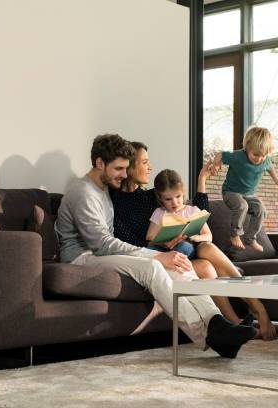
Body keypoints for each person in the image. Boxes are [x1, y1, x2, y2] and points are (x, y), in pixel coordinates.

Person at [55, 134, 256, 358]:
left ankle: (216, 321)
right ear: (100, 163)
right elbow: (101, 244)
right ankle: (208, 334)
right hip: (83, 257)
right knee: (153, 267)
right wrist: (155, 255)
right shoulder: (83, 192)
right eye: (119, 168)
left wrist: (164, 253)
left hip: (102, 253)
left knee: (180, 263)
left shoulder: (103, 188)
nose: (124, 173)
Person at [145, 168, 277, 340]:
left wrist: (193, 235)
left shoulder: (192, 210)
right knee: (209, 269)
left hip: (193, 248)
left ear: (183, 192)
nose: (174, 203)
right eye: (168, 199)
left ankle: (257, 308)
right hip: (175, 254)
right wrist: (165, 240)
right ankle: (236, 323)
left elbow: (208, 235)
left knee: (208, 247)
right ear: (160, 198)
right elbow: (150, 238)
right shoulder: (160, 213)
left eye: (178, 197)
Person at [212, 126, 278, 251]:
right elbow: (220, 155)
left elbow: (270, 167)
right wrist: (216, 165)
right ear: (247, 147)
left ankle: (250, 239)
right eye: (255, 154)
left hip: (249, 194)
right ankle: (235, 234)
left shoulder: (265, 160)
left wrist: (277, 180)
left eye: (263, 156)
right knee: (242, 206)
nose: (259, 159)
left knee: (261, 210)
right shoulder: (238, 156)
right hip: (231, 192)